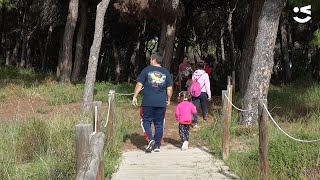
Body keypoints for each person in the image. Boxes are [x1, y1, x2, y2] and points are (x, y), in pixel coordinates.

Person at [132, 52, 173, 153]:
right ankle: (157, 146)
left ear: (153, 59)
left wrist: (135, 96)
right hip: (161, 102)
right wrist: (168, 100)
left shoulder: (146, 70)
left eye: (150, 59)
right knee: (159, 124)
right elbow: (169, 88)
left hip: (148, 102)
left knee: (146, 121)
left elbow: (139, 84)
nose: (150, 60)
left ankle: (151, 139)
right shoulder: (166, 72)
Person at [191, 61, 211, 127]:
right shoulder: (205, 75)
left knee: (195, 107)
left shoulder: (194, 74)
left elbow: (193, 83)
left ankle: (195, 122)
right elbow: (207, 85)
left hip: (195, 92)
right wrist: (209, 95)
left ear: (197, 66)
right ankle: (204, 119)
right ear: (204, 67)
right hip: (203, 92)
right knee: (204, 106)